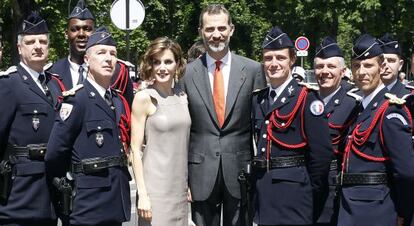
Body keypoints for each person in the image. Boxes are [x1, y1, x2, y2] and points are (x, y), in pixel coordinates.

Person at [179, 3, 266, 226]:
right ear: (200, 32)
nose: (216, 35)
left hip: (240, 172)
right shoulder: (186, 74)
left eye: (221, 28)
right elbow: (183, 129)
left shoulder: (254, 70)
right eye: (209, 29)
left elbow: (261, 127)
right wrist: (183, 178)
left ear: (231, 29)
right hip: (200, 173)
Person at [45, 26, 131, 226]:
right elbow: (55, 154)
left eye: (113, 54)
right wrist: (67, 190)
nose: (109, 59)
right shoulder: (77, 100)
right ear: (87, 60)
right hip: (87, 206)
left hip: (115, 203)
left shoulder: (117, 100)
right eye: (101, 53)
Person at [250, 26, 333, 226]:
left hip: (294, 195)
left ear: (292, 60)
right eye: (268, 58)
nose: (273, 64)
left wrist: (306, 189)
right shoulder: (258, 99)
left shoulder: (306, 99)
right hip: (261, 192)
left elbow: (321, 156)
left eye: (280, 58)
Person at [337, 34, 414, 226]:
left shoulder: (390, 111)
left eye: (368, 65)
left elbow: (406, 172)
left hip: (376, 212)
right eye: (356, 65)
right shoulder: (359, 108)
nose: (361, 72)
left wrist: (404, 213)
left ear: (382, 67)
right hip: (350, 208)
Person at [0, 11, 62, 226]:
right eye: (31, 41)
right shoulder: (9, 85)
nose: (38, 46)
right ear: (19, 48)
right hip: (18, 198)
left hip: (49, 196)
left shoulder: (53, 86)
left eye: (43, 41)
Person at [130, 37, 190, 226]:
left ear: (177, 64)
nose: (162, 68)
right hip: (155, 190)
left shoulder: (183, 96)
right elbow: (135, 151)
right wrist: (143, 196)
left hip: (179, 189)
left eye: (168, 61)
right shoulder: (144, 98)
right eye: (156, 62)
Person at [48, 0, 134, 106]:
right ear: (66, 34)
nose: (81, 34)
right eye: (75, 29)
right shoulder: (52, 72)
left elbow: (127, 111)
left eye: (87, 29)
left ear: (95, 33)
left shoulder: (117, 72)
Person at [313, 36, 359, 226]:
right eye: (320, 66)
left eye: (331, 67)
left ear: (342, 71)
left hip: (335, 190)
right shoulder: (307, 99)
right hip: (307, 187)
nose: (325, 72)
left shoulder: (353, 103)